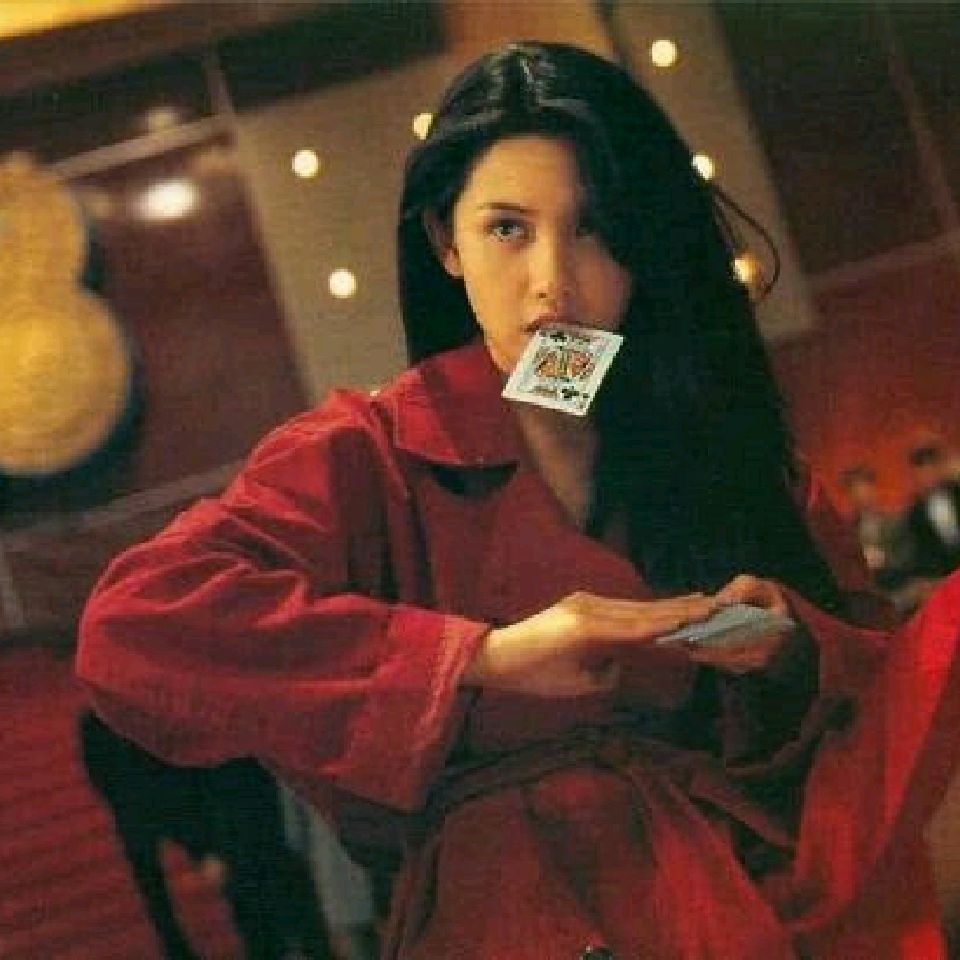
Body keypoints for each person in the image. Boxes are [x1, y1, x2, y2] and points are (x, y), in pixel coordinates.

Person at [76, 42, 960, 959]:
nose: (554, 283)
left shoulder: (720, 450)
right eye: (508, 228)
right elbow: (130, 631)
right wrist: (482, 659)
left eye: (595, 228)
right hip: (506, 918)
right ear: (444, 241)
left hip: (737, 900)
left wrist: (790, 646)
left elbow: (887, 706)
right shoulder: (364, 454)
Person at [904, 442, 960, 581]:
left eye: (931, 469)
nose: (928, 476)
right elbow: (922, 553)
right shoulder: (915, 513)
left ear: (940, 468)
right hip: (943, 575)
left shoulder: (957, 492)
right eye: (922, 472)